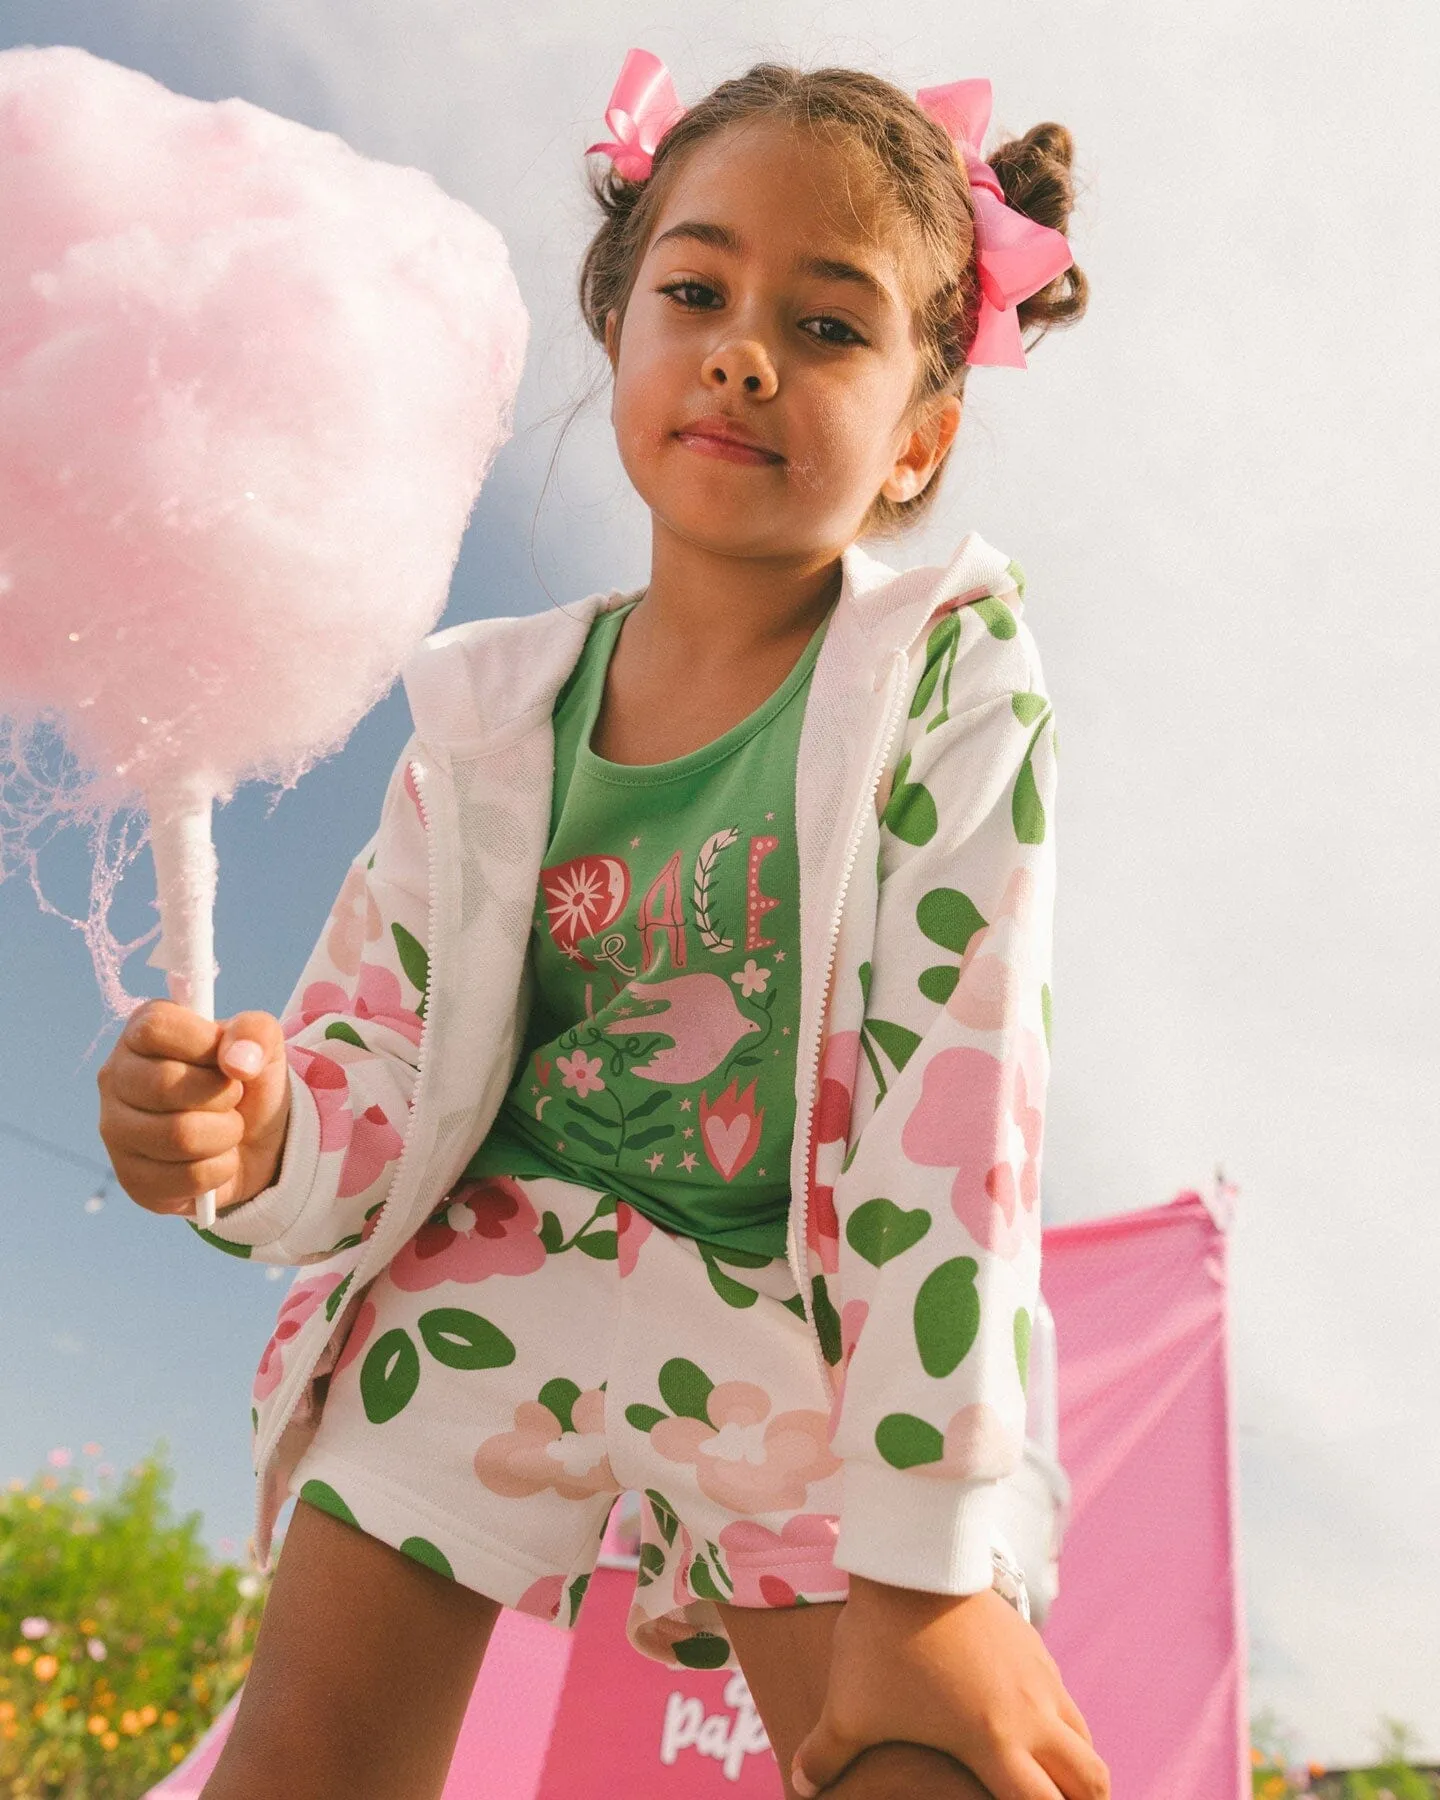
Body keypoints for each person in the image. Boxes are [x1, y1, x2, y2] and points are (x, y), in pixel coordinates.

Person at [97, 47, 1108, 1800]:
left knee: (931, 1753)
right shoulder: (487, 719)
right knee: (304, 1767)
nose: (743, 350)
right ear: (622, 334)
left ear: (920, 439)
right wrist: (256, 1130)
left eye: (831, 324)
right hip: (476, 1285)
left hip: (791, 1322)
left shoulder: (949, 673)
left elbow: (962, 1118)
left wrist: (934, 1555)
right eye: (697, 290)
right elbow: (379, 1069)